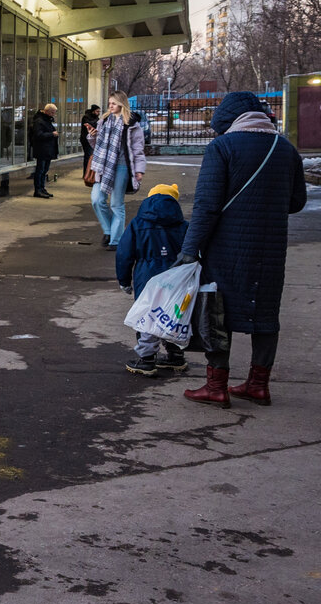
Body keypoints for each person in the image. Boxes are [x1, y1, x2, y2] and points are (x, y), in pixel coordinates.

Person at [176, 91, 306, 408]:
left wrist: (189, 250)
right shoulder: (286, 149)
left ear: (229, 122)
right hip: (271, 249)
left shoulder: (222, 147)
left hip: (226, 247)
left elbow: (207, 207)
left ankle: (216, 386)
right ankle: (258, 386)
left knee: (217, 312)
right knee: (265, 314)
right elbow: (297, 202)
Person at [117, 184, 189, 376]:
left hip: (147, 278)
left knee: (147, 316)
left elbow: (124, 253)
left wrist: (124, 281)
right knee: (173, 315)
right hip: (176, 279)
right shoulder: (183, 225)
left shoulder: (138, 223)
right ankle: (176, 355)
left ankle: (147, 359)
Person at [87, 91, 147, 249]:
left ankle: (116, 240)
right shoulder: (104, 121)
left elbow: (138, 150)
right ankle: (108, 230)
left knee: (116, 203)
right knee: (96, 199)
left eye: (114, 103)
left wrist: (139, 170)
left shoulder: (132, 124)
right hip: (103, 166)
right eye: (109, 103)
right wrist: (92, 136)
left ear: (122, 104)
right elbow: (97, 146)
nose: (110, 106)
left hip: (122, 166)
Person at [30, 103, 59, 198]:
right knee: (40, 170)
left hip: (47, 150)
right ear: (47, 111)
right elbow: (38, 135)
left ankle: (42, 188)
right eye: (52, 112)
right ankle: (38, 190)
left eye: (54, 112)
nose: (54, 114)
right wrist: (52, 134)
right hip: (42, 149)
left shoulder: (46, 120)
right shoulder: (39, 121)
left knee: (44, 170)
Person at [80, 104, 101, 177]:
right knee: (88, 156)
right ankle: (86, 173)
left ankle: (88, 173)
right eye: (97, 111)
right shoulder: (86, 117)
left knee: (90, 156)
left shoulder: (96, 118)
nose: (98, 113)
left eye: (99, 111)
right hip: (86, 139)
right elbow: (90, 125)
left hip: (92, 139)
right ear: (93, 111)